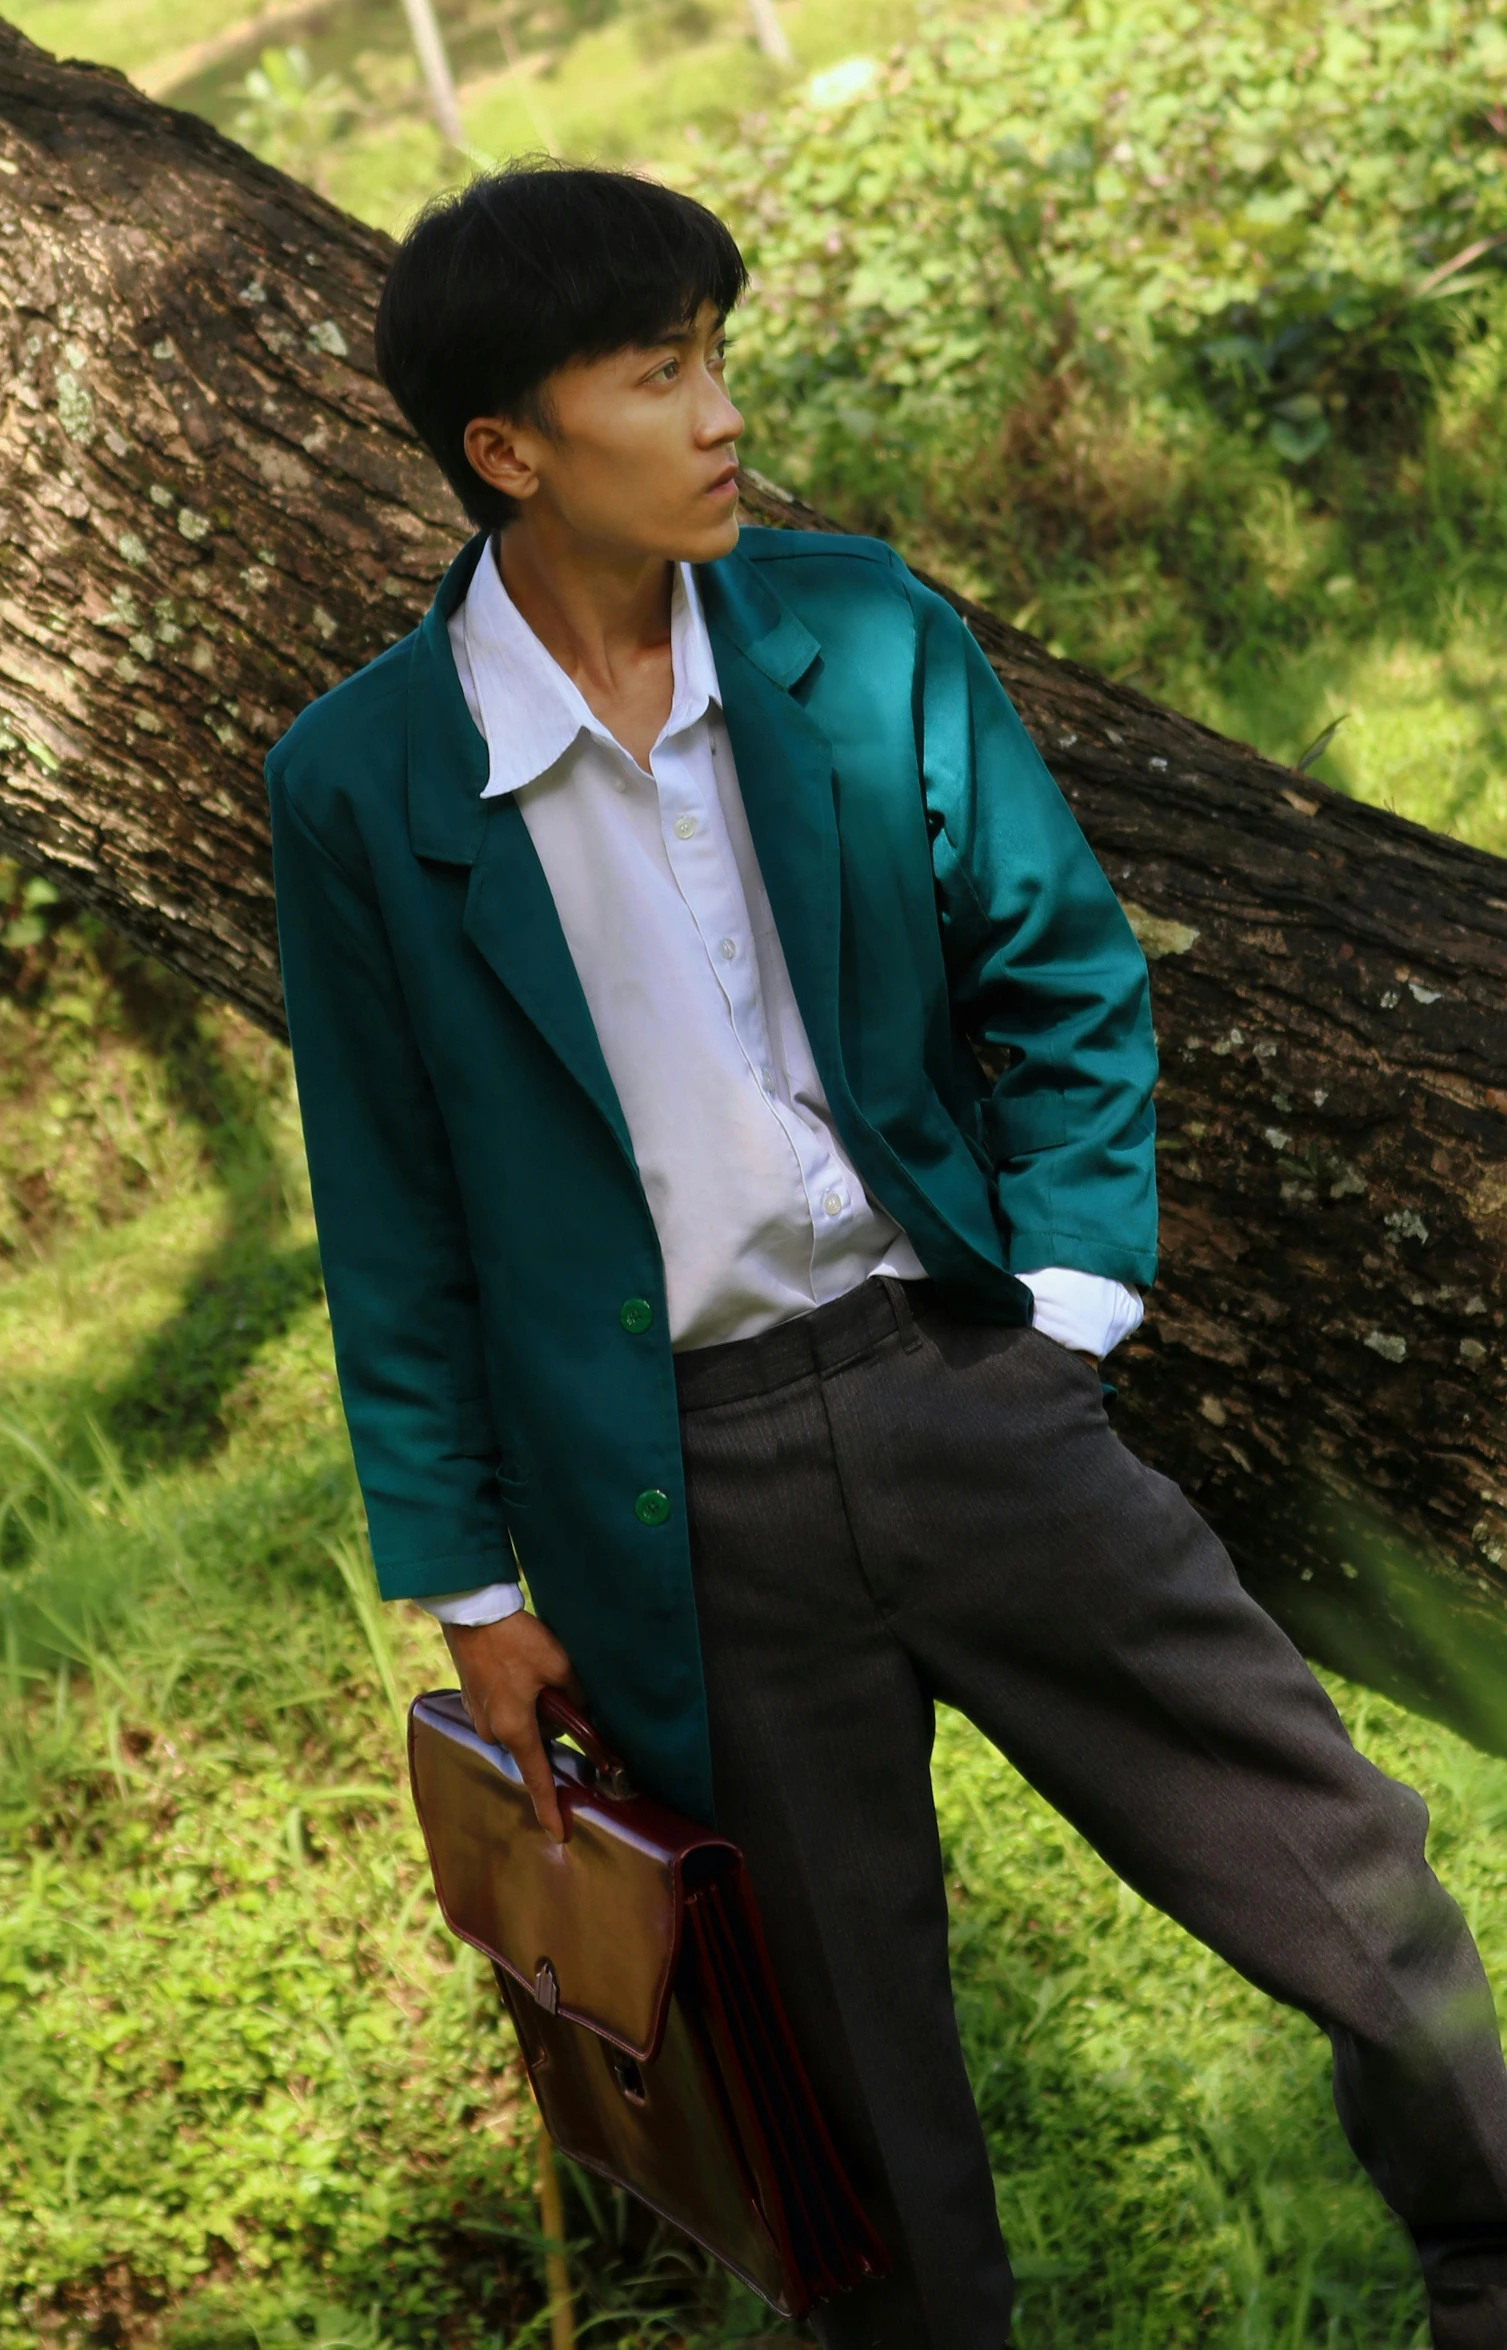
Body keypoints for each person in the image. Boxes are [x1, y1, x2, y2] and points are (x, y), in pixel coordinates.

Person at [265, 162, 1507, 2349]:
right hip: (679, 1504)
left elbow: (1060, 965)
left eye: (718, 355)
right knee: (846, 2093)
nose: (725, 411)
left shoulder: (862, 628)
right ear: (508, 447)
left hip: (970, 1386)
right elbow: (395, 1206)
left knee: (1350, 1874)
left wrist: (1070, 1306)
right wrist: (469, 1592)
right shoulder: (365, 782)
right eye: (663, 373)